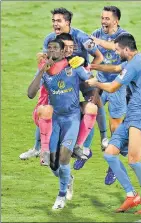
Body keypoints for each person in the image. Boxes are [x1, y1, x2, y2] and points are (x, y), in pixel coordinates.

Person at [86, 33, 141, 215]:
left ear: (126, 49)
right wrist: (95, 66)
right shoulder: (138, 58)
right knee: (110, 154)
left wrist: (96, 82)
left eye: (118, 49)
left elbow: (112, 87)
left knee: (134, 161)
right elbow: (117, 68)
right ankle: (131, 195)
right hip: (132, 116)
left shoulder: (134, 65)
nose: (116, 52)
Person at [20, 7, 106, 160]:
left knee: (93, 102)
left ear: (68, 22)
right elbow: (49, 59)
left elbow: (98, 56)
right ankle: (38, 148)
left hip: (79, 74)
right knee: (45, 105)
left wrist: (87, 69)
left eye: (59, 21)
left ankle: (99, 139)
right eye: (53, 21)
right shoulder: (50, 39)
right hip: (60, 77)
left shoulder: (81, 37)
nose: (55, 24)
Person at [28, 38, 91, 209]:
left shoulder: (74, 67)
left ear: (63, 52)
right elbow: (30, 94)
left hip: (72, 119)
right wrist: (42, 71)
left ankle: (61, 195)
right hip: (54, 120)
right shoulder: (46, 72)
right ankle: (68, 179)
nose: (51, 51)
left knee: (64, 158)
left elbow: (91, 80)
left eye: (55, 48)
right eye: (49, 48)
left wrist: (91, 97)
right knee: (52, 163)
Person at [73, 6, 127, 185]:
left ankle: (112, 164)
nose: (103, 22)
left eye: (107, 19)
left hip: (118, 86)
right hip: (100, 83)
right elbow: (89, 54)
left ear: (116, 20)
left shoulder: (125, 37)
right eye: (102, 18)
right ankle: (84, 150)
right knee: (90, 112)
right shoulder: (96, 33)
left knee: (115, 127)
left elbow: (122, 62)